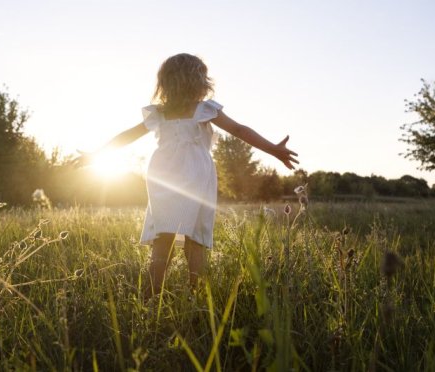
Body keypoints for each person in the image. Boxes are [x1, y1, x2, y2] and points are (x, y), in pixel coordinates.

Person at [75, 53, 298, 298]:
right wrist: (274, 149)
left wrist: (96, 154)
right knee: (195, 238)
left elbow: (127, 135)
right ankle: (195, 298)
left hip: (163, 176)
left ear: (166, 82)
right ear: (198, 80)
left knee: (164, 236)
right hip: (195, 174)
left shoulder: (163, 113)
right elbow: (238, 129)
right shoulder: (203, 109)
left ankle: (151, 298)